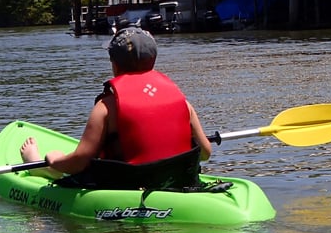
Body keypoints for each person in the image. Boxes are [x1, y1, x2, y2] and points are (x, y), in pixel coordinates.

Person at [21, 26, 212, 188]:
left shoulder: (106, 107)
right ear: (153, 60)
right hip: (175, 182)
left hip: (125, 186)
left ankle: (38, 165)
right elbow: (204, 153)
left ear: (115, 64)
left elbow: (79, 163)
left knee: (64, 171)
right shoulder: (183, 104)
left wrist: (54, 159)